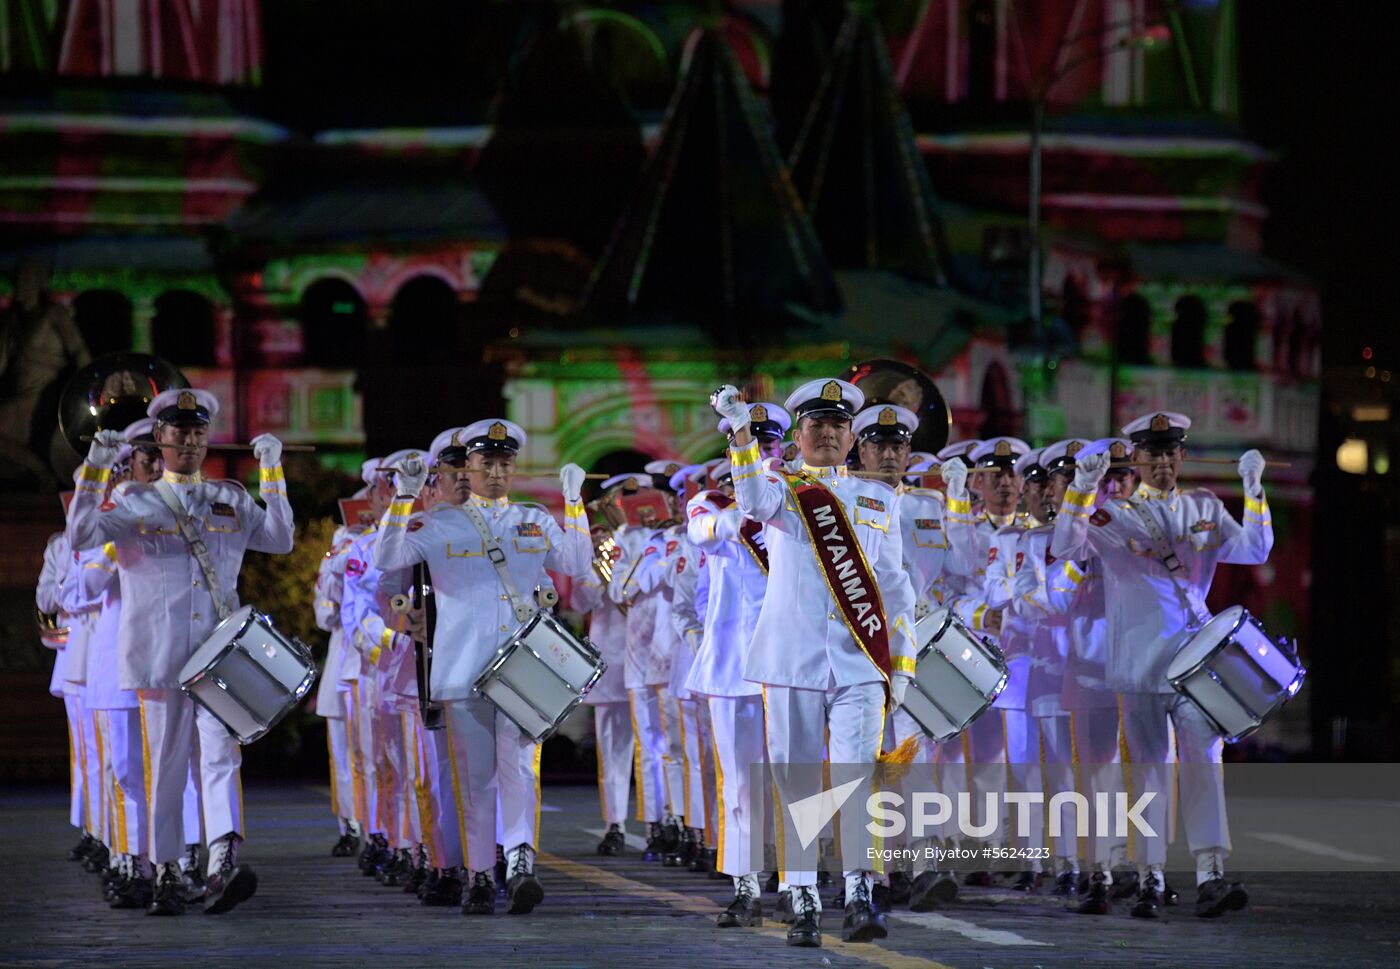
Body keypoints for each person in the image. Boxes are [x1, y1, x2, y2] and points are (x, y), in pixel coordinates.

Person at [67, 388, 292, 915]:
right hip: (161, 658)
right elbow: (80, 534)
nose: (189, 441)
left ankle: (221, 863)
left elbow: (280, 539)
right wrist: (94, 471)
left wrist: (272, 475)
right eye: (179, 432)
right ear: (160, 437)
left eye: (197, 433)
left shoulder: (229, 498)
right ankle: (167, 868)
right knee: (166, 767)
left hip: (219, 657)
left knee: (220, 758)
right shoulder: (134, 502)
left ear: (206, 439)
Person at [713, 378, 917, 948]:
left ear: (851, 437)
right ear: (798, 436)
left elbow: (895, 585)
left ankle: (859, 894)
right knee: (798, 781)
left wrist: (901, 663)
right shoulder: (780, 488)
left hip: (860, 662)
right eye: (816, 424)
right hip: (792, 662)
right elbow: (751, 501)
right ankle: (802, 896)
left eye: (837, 425)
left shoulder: (879, 498)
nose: (827, 433)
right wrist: (741, 430)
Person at [1051, 411, 1272, 919]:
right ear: (1137, 459)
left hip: (1194, 666)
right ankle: (1150, 876)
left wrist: (1253, 489)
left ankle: (1211, 874)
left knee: (1204, 763)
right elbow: (1064, 546)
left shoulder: (1204, 507)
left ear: (1182, 457)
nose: (1163, 463)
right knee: (1149, 774)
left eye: (1171, 454)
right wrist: (1082, 488)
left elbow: (1255, 549)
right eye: (1153, 455)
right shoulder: (1114, 515)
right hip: (1141, 667)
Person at [375, 419, 589, 916]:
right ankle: (478, 875)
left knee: (520, 772)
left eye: (504, 463)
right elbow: (387, 558)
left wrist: (574, 502)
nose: (495, 472)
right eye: (485, 463)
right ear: (467, 467)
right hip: (463, 671)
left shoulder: (532, 520)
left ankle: (519, 863)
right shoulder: (438, 523)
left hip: (522, 670)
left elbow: (577, 564)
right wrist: (403, 498)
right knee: (474, 782)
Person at [850, 402, 959, 910]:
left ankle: (924, 862)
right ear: (860, 449)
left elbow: (950, 572)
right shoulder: (843, 499)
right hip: (859, 645)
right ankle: (871, 870)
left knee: (917, 757)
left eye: (898, 445)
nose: (890, 454)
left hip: (912, 647)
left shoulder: (926, 505)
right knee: (864, 762)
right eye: (878, 445)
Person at [686, 402, 788, 928]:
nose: (762, 452)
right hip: (732, 667)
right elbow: (702, 533)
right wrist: (749, 509)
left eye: (769, 444)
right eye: (752, 443)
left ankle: (796, 884)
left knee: (795, 780)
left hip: (789, 662)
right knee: (741, 783)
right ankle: (745, 885)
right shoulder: (711, 503)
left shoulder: (799, 500)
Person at [941, 437, 1036, 887]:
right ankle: (979, 846)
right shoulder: (963, 528)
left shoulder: (1035, 532)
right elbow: (948, 593)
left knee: (1022, 756)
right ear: (976, 482)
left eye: (1012, 474)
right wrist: (982, 615)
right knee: (979, 755)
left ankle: (1023, 849)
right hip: (974, 652)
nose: (1005, 483)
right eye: (995, 475)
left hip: (1025, 655)